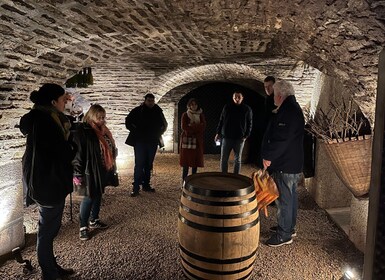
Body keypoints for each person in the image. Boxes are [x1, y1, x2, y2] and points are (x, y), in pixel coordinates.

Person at [19, 83, 76, 280]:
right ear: (53, 102)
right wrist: (72, 147)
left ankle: (51, 267)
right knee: (47, 232)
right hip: (48, 182)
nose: (66, 103)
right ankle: (49, 273)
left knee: (48, 229)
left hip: (48, 180)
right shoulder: (46, 122)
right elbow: (59, 152)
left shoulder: (45, 118)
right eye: (63, 100)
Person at [261, 79, 304, 247]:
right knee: (290, 197)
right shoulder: (292, 108)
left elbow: (281, 138)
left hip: (285, 163)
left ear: (279, 95)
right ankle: (289, 227)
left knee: (284, 199)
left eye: (274, 94)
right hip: (291, 162)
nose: (272, 98)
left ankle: (284, 234)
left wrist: (268, 156)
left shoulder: (288, 111)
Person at [72, 104, 117, 241]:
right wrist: (77, 173)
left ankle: (94, 219)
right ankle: (83, 226)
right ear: (92, 116)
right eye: (99, 118)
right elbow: (78, 153)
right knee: (88, 196)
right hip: (89, 169)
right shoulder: (84, 131)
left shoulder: (103, 130)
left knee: (98, 193)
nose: (102, 120)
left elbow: (109, 146)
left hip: (102, 168)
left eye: (103, 117)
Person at [125, 93, 168, 197]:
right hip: (140, 141)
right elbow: (128, 122)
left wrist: (158, 133)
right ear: (145, 101)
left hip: (152, 141)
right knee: (139, 164)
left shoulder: (158, 111)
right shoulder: (138, 111)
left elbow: (164, 124)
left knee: (148, 164)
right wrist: (136, 131)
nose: (150, 103)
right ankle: (135, 188)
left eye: (152, 101)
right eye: (149, 101)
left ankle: (146, 185)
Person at [214, 91, 253, 174]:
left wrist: (246, 136)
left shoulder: (247, 109)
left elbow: (250, 123)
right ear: (233, 98)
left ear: (242, 98)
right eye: (235, 97)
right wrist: (218, 133)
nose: (237, 99)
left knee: (237, 160)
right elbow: (221, 120)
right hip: (227, 137)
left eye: (239, 97)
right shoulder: (227, 107)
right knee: (224, 158)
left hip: (239, 138)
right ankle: (224, 175)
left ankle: (236, 177)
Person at [179, 98, 206, 181]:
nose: (194, 106)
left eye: (195, 104)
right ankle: (184, 181)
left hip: (197, 140)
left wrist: (192, 126)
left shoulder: (200, 114)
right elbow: (184, 126)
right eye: (192, 104)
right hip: (187, 140)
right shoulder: (185, 114)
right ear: (189, 105)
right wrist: (196, 127)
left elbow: (203, 126)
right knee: (186, 162)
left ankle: (193, 181)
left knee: (195, 161)